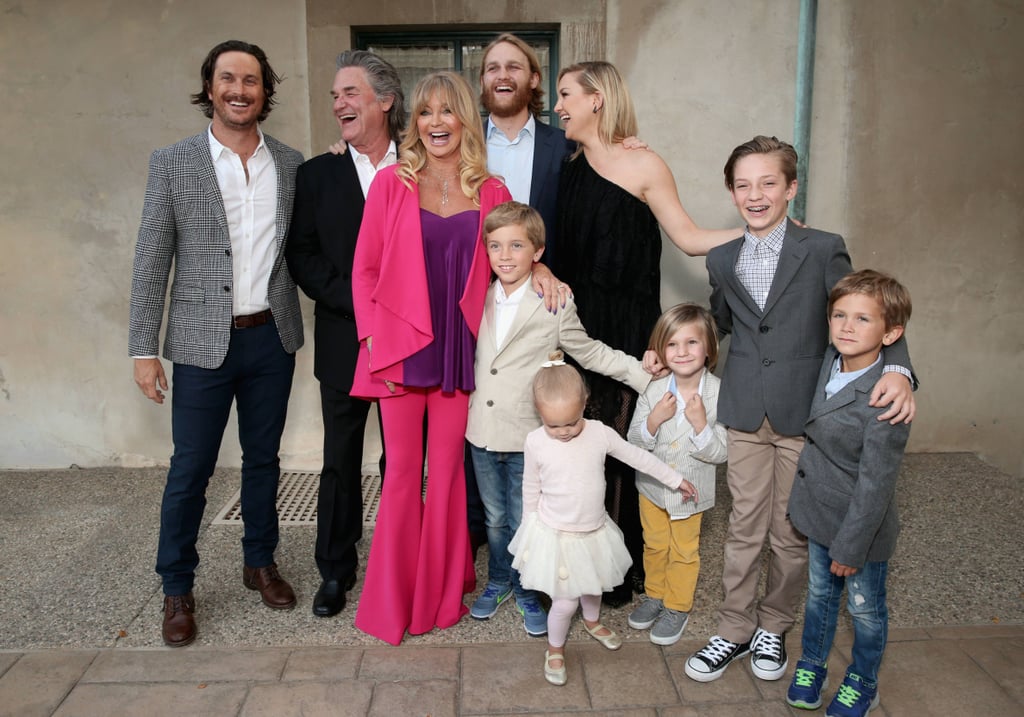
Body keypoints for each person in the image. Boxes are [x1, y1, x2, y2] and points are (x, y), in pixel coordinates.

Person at [684, 135, 916, 684]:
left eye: (768, 183)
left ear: (791, 188)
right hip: (745, 408)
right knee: (742, 524)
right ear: (731, 192)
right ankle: (734, 627)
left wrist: (901, 370)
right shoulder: (721, 258)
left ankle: (774, 623)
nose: (755, 195)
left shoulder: (821, 247)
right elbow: (721, 321)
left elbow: (867, 309)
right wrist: (672, 344)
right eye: (743, 185)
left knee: (789, 529)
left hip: (803, 413)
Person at [129, 40, 304, 647]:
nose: (239, 89)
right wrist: (142, 350)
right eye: (228, 78)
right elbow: (152, 259)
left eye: (251, 80)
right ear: (210, 88)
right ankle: (177, 584)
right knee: (191, 468)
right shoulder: (173, 162)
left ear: (264, 92)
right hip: (201, 347)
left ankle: (260, 562)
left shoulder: (290, 162)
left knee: (263, 460)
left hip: (270, 339)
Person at [549, 61, 739, 604]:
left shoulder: (645, 162)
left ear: (597, 100)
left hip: (632, 331)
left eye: (566, 95)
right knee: (582, 451)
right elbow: (559, 253)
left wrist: (759, 229)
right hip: (580, 332)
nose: (559, 105)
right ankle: (582, 563)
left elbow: (689, 236)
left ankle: (622, 570)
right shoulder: (570, 167)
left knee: (629, 449)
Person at [350, 71, 513, 645]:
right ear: (413, 122)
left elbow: (513, 256)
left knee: (445, 477)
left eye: (448, 112)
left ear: (466, 119)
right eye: (425, 113)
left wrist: (539, 268)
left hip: (458, 354)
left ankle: (441, 595)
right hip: (397, 351)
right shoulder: (392, 184)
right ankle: (393, 602)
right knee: (400, 476)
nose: (436, 123)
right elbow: (365, 268)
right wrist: (372, 341)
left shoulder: (492, 192)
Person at [466, 201, 652, 637]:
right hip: (480, 430)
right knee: (493, 517)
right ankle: (498, 580)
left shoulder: (553, 302)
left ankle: (528, 588)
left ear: (538, 251)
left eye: (516, 245)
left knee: (528, 519)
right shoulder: (476, 290)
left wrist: (643, 375)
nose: (505, 255)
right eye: (495, 246)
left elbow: (588, 351)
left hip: (529, 435)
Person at [285, 50, 405, 618]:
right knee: (339, 461)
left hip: (410, 343)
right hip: (343, 338)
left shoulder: (420, 168)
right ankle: (335, 570)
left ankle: (398, 558)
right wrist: (361, 306)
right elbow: (302, 257)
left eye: (349, 93)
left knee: (403, 460)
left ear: (385, 100)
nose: (339, 104)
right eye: (335, 96)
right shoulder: (316, 174)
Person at [508, 357, 697, 686]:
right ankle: (555, 647)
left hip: (594, 530)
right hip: (557, 535)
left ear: (585, 403)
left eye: (571, 422)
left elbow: (637, 457)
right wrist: (529, 527)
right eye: (554, 426)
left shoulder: (599, 433)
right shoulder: (536, 441)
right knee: (565, 602)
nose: (564, 432)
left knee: (594, 584)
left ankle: (593, 621)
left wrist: (675, 479)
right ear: (540, 414)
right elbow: (530, 487)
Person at [784, 270, 913, 717]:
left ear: (891, 333)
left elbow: (876, 485)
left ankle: (863, 678)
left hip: (860, 530)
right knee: (820, 597)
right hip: (818, 515)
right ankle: (813, 663)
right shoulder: (832, 359)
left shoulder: (887, 400)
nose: (846, 327)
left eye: (862, 320)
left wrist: (852, 547)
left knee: (864, 610)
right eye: (839, 315)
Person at [626, 303, 728, 646]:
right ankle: (655, 594)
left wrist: (701, 426)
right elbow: (633, 441)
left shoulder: (718, 393)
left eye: (691, 343)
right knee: (654, 545)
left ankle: (677, 606)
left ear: (709, 348)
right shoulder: (653, 389)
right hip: (652, 489)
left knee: (684, 550)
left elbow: (722, 452)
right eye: (672, 344)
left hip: (690, 493)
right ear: (660, 349)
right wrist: (653, 420)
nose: (682, 352)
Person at [478, 33, 575, 262]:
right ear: (482, 80)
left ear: (534, 79)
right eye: (493, 69)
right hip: (476, 288)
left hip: (546, 288)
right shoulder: (462, 146)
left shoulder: (567, 147)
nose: (503, 76)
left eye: (513, 67)